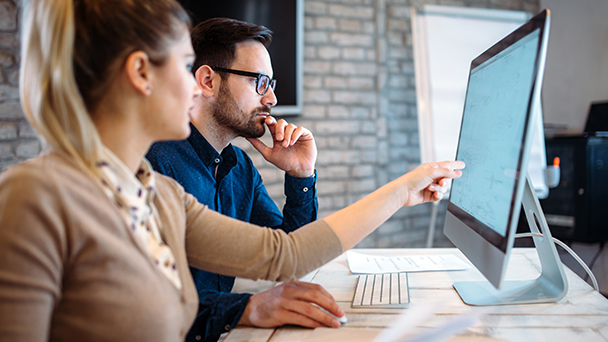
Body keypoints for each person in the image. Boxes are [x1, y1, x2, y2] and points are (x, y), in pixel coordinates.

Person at [0, 0, 464, 341]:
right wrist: (245, 309)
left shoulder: (153, 193)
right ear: (142, 73)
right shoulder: (35, 196)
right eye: (185, 66)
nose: (192, 82)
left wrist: (399, 190)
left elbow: (285, 255)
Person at [145, 18, 322, 342]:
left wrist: (301, 174)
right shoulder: (152, 164)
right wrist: (247, 308)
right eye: (260, 82)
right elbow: (149, 302)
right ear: (208, 81)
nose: (271, 99)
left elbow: (291, 258)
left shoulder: (239, 166)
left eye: (272, 84)